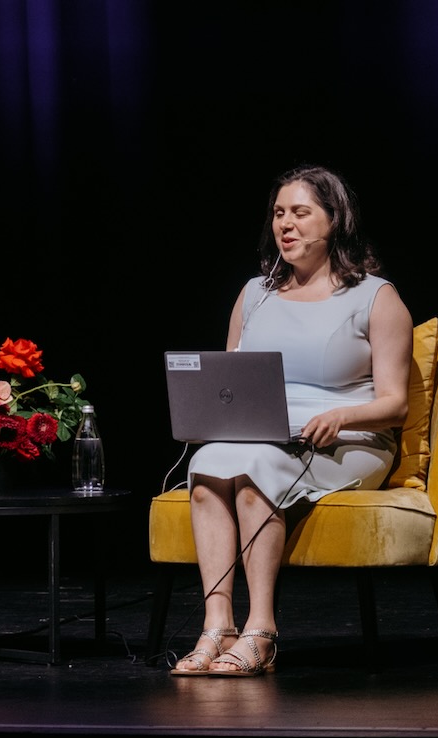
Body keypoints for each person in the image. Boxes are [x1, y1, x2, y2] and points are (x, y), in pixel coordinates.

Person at [171, 164, 412, 676]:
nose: (286, 224)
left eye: (301, 212)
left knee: (257, 468)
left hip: (349, 439)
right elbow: (228, 380)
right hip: (261, 435)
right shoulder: (254, 293)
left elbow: (396, 404)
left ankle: (261, 629)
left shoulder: (376, 296)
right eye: (279, 213)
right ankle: (217, 625)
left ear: (335, 220)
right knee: (211, 462)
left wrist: (343, 413)